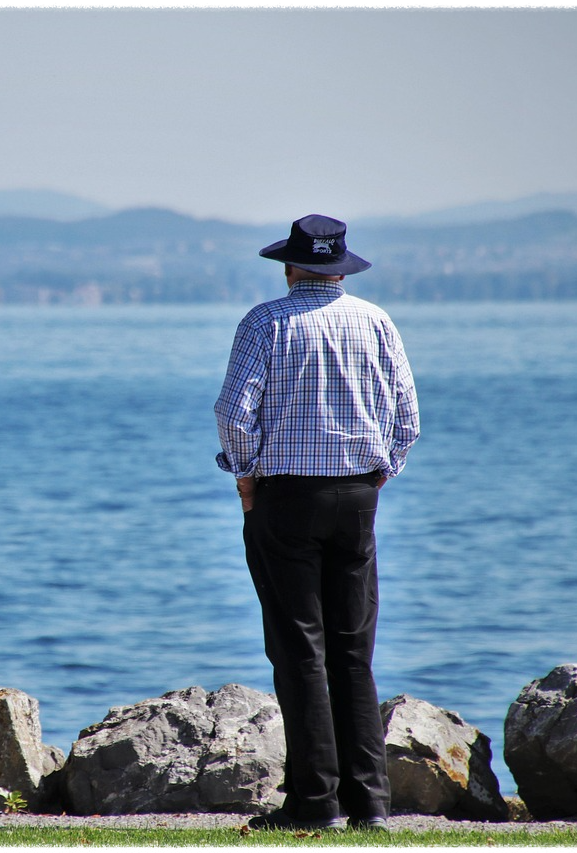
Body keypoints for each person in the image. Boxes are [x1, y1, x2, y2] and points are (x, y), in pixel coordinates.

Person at [214, 214, 420, 833]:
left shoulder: (264, 322)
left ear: (290, 267)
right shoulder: (376, 321)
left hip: (284, 499)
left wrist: (245, 478)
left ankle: (315, 803)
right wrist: (380, 473)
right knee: (353, 654)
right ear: (340, 268)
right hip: (357, 497)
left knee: (299, 651)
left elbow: (234, 414)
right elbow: (407, 417)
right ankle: (371, 806)